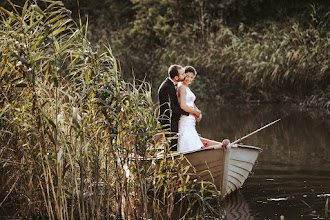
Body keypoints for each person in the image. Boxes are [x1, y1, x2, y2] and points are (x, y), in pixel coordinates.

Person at [158, 64, 192, 151]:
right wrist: (187, 113)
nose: (185, 76)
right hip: (168, 120)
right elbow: (172, 107)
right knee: (171, 145)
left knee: (174, 143)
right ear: (176, 77)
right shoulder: (166, 87)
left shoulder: (172, 84)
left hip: (173, 119)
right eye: (183, 74)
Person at [177, 66, 203, 152]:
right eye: (187, 76)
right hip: (186, 118)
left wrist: (198, 113)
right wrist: (195, 112)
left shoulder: (186, 88)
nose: (189, 79)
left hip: (191, 119)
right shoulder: (181, 87)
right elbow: (183, 106)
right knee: (187, 141)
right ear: (183, 75)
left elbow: (191, 103)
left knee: (192, 140)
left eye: (191, 77)